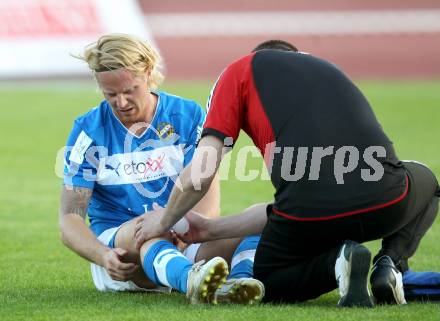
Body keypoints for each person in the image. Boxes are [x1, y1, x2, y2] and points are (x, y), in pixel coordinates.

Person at [134, 39, 440, 306]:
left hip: (310, 218)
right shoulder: (329, 72)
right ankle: (391, 265)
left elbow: (201, 172)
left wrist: (163, 221)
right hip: (385, 202)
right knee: (427, 179)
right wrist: (209, 230)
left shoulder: (239, 72)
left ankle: (338, 260)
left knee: (268, 278)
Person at [59, 33, 264, 304]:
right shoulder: (88, 130)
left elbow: (206, 192)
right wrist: (102, 255)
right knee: (147, 232)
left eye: (129, 90)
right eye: (111, 94)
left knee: (257, 220)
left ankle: (239, 283)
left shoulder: (187, 115)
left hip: (182, 236)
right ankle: (190, 279)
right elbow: (69, 219)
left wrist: (182, 230)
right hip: (123, 250)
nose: (121, 102)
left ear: (147, 73)